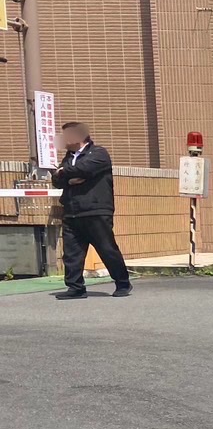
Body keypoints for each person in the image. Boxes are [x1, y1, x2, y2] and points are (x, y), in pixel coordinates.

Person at [52, 122, 131, 299]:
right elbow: (56, 180)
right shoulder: (68, 158)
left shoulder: (98, 154)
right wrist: (67, 177)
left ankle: (122, 283)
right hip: (72, 210)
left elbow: (85, 169)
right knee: (72, 252)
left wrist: (64, 172)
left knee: (106, 248)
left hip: (96, 210)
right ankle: (76, 287)